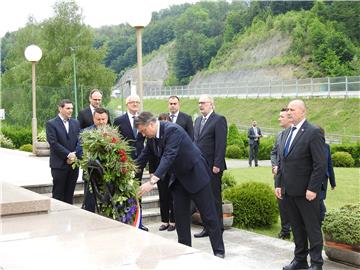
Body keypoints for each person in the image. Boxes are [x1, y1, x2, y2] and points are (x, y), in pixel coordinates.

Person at [135, 112, 225, 258]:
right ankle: (184, 251)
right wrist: (127, 169)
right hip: (178, 179)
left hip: (196, 175)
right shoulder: (151, 138)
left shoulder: (172, 130)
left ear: (151, 124)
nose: (143, 134)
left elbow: (168, 156)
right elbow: (144, 157)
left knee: (209, 216)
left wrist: (152, 182)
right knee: (180, 217)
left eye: (144, 131)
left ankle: (219, 251)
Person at [275, 99, 326, 270]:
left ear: (303, 112)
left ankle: (317, 263)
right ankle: (300, 260)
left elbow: (320, 164)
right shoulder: (288, 132)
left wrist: (312, 188)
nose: (289, 112)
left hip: (307, 192)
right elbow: (283, 161)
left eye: (293, 109)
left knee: (312, 228)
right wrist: (279, 184)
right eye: (288, 109)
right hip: (289, 191)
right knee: (297, 228)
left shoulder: (312, 132)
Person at [193, 95, 227, 238]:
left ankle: (218, 227)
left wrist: (217, 164)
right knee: (203, 198)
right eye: (199, 103)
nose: (201, 105)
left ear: (211, 104)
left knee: (214, 198)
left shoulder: (219, 120)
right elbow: (195, 142)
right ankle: (207, 227)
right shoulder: (198, 120)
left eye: (204, 103)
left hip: (213, 167)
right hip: (199, 166)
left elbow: (221, 143)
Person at [113, 94, 147, 231]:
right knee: (125, 190)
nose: (135, 104)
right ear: (127, 104)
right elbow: (116, 140)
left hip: (139, 160)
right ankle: (126, 219)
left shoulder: (144, 119)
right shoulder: (119, 120)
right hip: (124, 161)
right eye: (132, 102)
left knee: (138, 191)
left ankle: (139, 220)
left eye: (137, 102)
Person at [77, 89, 110, 211]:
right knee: (90, 203)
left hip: (108, 174)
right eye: (98, 119)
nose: (101, 122)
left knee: (108, 203)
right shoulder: (85, 133)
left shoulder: (113, 133)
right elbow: (79, 152)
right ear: (93, 119)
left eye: (103, 119)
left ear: (107, 119)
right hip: (90, 173)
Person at [46, 99, 81, 204]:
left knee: (69, 195)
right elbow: (53, 143)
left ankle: (69, 218)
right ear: (60, 108)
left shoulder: (76, 123)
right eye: (68, 108)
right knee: (58, 194)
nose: (70, 111)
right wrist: (68, 155)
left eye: (72, 108)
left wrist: (74, 155)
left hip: (74, 164)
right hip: (59, 165)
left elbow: (80, 140)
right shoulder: (51, 124)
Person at [150, 113, 176, 232]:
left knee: (172, 197)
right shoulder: (152, 138)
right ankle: (164, 221)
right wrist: (152, 172)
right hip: (159, 172)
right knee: (163, 197)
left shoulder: (172, 135)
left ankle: (173, 221)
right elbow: (149, 155)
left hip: (171, 171)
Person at [270, 108, 293, 240]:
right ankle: (285, 231)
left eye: (281, 117)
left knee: (293, 205)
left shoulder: (297, 134)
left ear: (289, 118)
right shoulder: (279, 135)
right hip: (279, 177)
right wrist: (274, 166)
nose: (279, 119)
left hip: (293, 177)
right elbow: (273, 152)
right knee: (282, 204)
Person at [317, 126, 336, 224]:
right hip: (312, 180)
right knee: (318, 202)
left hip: (323, 179)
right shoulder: (308, 145)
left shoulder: (326, 147)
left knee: (320, 200)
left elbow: (329, 164)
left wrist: (333, 182)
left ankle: (322, 220)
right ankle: (323, 220)